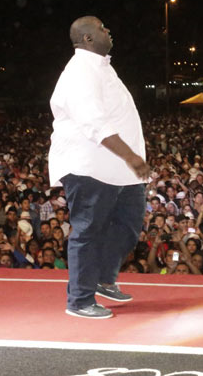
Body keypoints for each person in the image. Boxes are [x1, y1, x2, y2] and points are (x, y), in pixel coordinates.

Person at [48, 16, 149, 320]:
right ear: (87, 38)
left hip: (119, 169)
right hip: (90, 166)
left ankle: (103, 278)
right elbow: (94, 123)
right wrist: (132, 157)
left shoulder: (103, 67)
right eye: (103, 28)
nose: (109, 31)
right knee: (88, 232)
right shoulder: (80, 71)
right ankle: (79, 301)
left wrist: (130, 160)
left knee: (128, 226)